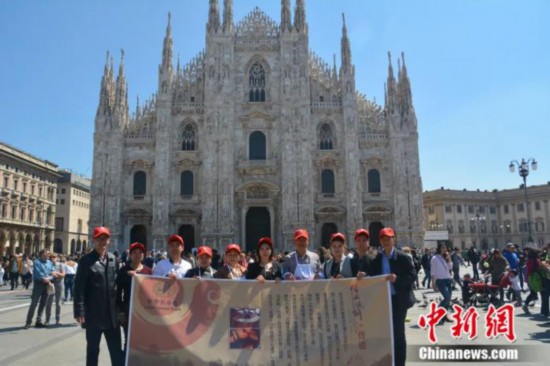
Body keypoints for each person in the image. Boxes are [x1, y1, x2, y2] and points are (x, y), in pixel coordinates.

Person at [74, 226, 123, 366]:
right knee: (93, 351)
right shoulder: (86, 261)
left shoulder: (113, 259)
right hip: (93, 314)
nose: (102, 242)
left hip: (112, 315)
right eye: (99, 239)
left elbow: (118, 286)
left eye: (105, 238)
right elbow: (79, 288)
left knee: (116, 352)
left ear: (109, 240)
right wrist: (79, 311)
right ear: (93, 240)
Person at [369, 228, 415, 366]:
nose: (386, 241)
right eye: (383, 238)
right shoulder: (376, 258)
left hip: (398, 300)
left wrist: (397, 279)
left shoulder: (402, 257)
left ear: (393, 239)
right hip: (383, 300)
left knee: (399, 334)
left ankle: (400, 363)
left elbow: (412, 277)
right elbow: (371, 277)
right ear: (380, 241)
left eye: (388, 238)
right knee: (385, 334)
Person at [116, 242, 152, 356]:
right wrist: (121, 311)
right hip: (128, 310)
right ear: (130, 255)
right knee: (129, 340)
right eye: (134, 252)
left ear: (143, 255)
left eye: (140, 252)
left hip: (144, 311)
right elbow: (118, 292)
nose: (137, 255)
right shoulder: (124, 270)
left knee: (144, 340)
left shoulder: (148, 271)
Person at [24, 249, 55, 329]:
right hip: (39, 284)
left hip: (47, 284)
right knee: (34, 303)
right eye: (46, 254)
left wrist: (49, 278)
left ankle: (39, 321)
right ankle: (28, 322)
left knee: (43, 303)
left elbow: (53, 272)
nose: (48, 255)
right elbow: (38, 273)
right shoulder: (37, 262)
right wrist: (44, 278)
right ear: (42, 254)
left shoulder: (50, 262)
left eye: (48, 254)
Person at [430, 243, 453, 323]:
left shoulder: (445, 257)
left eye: (445, 248)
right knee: (446, 298)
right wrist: (433, 282)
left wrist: (449, 258)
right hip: (440, 280)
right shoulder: (435, 258)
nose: (444, 249)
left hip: (448, 279)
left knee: (448, 299)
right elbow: (432, 271)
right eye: (442, 248)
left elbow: (450, 267)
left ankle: (444, 316)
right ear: (439, 248)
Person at [45, 253, 65, 326]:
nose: (52, 258)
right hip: (50, 284)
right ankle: (47, 320)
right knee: (48, 303)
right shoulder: (48, 265)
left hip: (59, 284)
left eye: (54, 257)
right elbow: (45, 274)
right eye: (51, 257)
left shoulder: (60, 265)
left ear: (57, 258)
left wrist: (56, 273)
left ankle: (57, 320)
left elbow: (63, 275)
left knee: (58, 303)